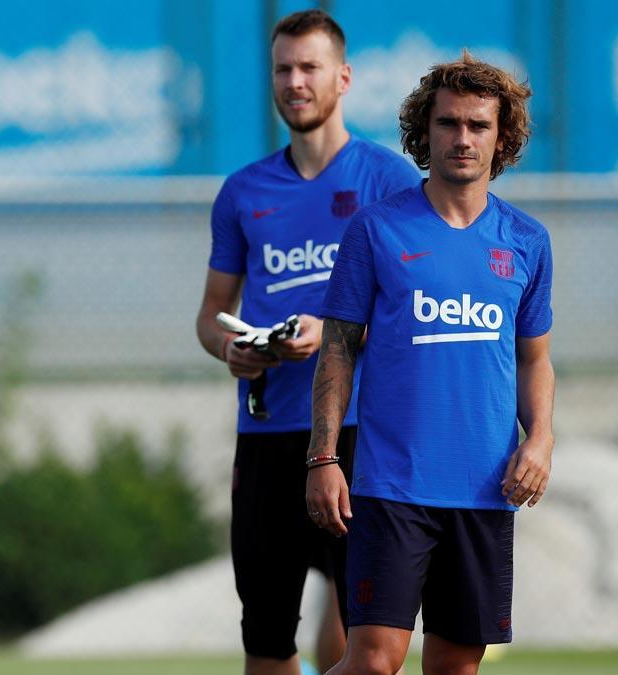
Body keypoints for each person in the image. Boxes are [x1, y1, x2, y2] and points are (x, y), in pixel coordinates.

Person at [306, 51, 555, 675]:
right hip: (392, 486)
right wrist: (324, 456)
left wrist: (542, 439)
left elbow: (535, 359)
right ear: (425, 131)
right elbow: (337, 348)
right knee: (372, 662)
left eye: (478, 126)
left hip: (483, 488)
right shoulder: (376, 229)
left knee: (455, 667)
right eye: (448, 123)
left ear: (503, 139)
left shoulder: (526, 241)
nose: (462, 138)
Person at [195, 10, 420, 675]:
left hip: (361, 434)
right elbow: (212, 312)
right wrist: (231, 349)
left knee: (370, 643)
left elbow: (414, 315)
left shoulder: (390, 182)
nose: (295, 82)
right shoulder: (243, 191)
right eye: (283, 69)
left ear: (343, 77)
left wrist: (337, 333)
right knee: (265, 640)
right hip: (267, 436)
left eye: (309, 68)